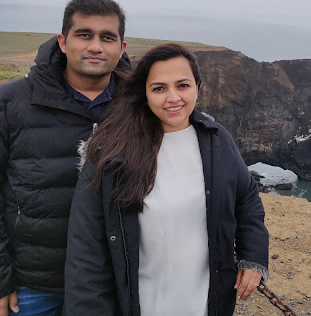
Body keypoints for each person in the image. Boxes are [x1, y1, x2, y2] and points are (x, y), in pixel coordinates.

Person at [63, 43, 269, 316]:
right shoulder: (111, 152)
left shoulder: (216, 139)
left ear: (197, 87)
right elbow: (86, 250)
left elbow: (247, 197)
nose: (173, 98)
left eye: (182, 85)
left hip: (206, 304)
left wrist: (252, 256)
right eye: (159, 88)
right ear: (145, 93)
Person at [0, 0, 129, 316]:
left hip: (112, 283)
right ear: (62, 41)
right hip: (32, 286)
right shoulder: (10, 102)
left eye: (107, 37)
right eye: (84, 34)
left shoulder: (141, 106)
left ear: (121, 47)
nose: (95, 46)